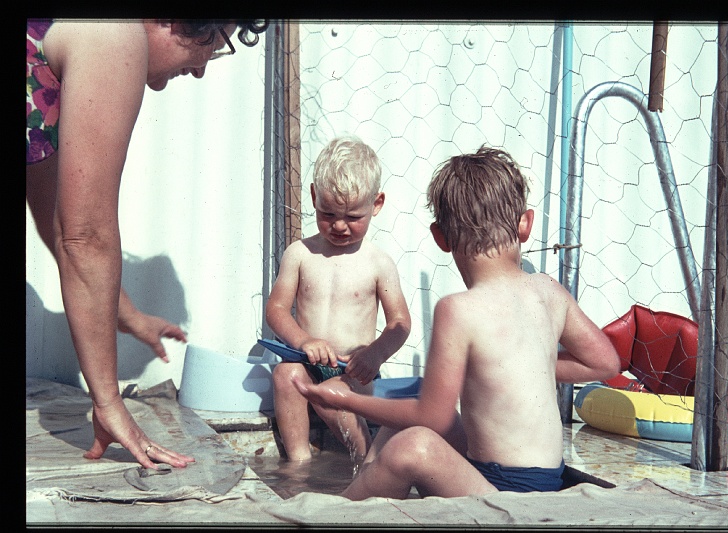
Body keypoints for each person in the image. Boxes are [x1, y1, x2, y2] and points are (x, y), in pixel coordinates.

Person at [293, 146, 621, 499]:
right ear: (525, 224)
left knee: (414, 445)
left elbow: (432, 417)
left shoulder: (457, 309)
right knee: (395, 427)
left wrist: (344, 400)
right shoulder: (550, 291)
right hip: (542, 478)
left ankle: (333, 517)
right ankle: (365, 495)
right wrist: (517, 366)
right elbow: (604, 362)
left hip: (508, 490)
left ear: (441, 238)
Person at [26, 19, 268, 470]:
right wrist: (108, 402)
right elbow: (85, 235)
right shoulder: (114, 31)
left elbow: (57, 225)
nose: (201, 68)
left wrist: (127, 314)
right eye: (214, 40)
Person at [265, 135, 412, 464]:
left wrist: (375, 355)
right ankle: (298, 464)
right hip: (307, 364)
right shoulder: (300, 254)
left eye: (353, 217)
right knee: (284, 376)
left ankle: (367, 463)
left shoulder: (378, 263)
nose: (340, 226)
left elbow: (400, 324)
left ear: (376, 204)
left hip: (353, 373)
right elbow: (275, 310)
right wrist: (303, 341)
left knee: (330, 396)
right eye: (328, 213)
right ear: (314, 196)